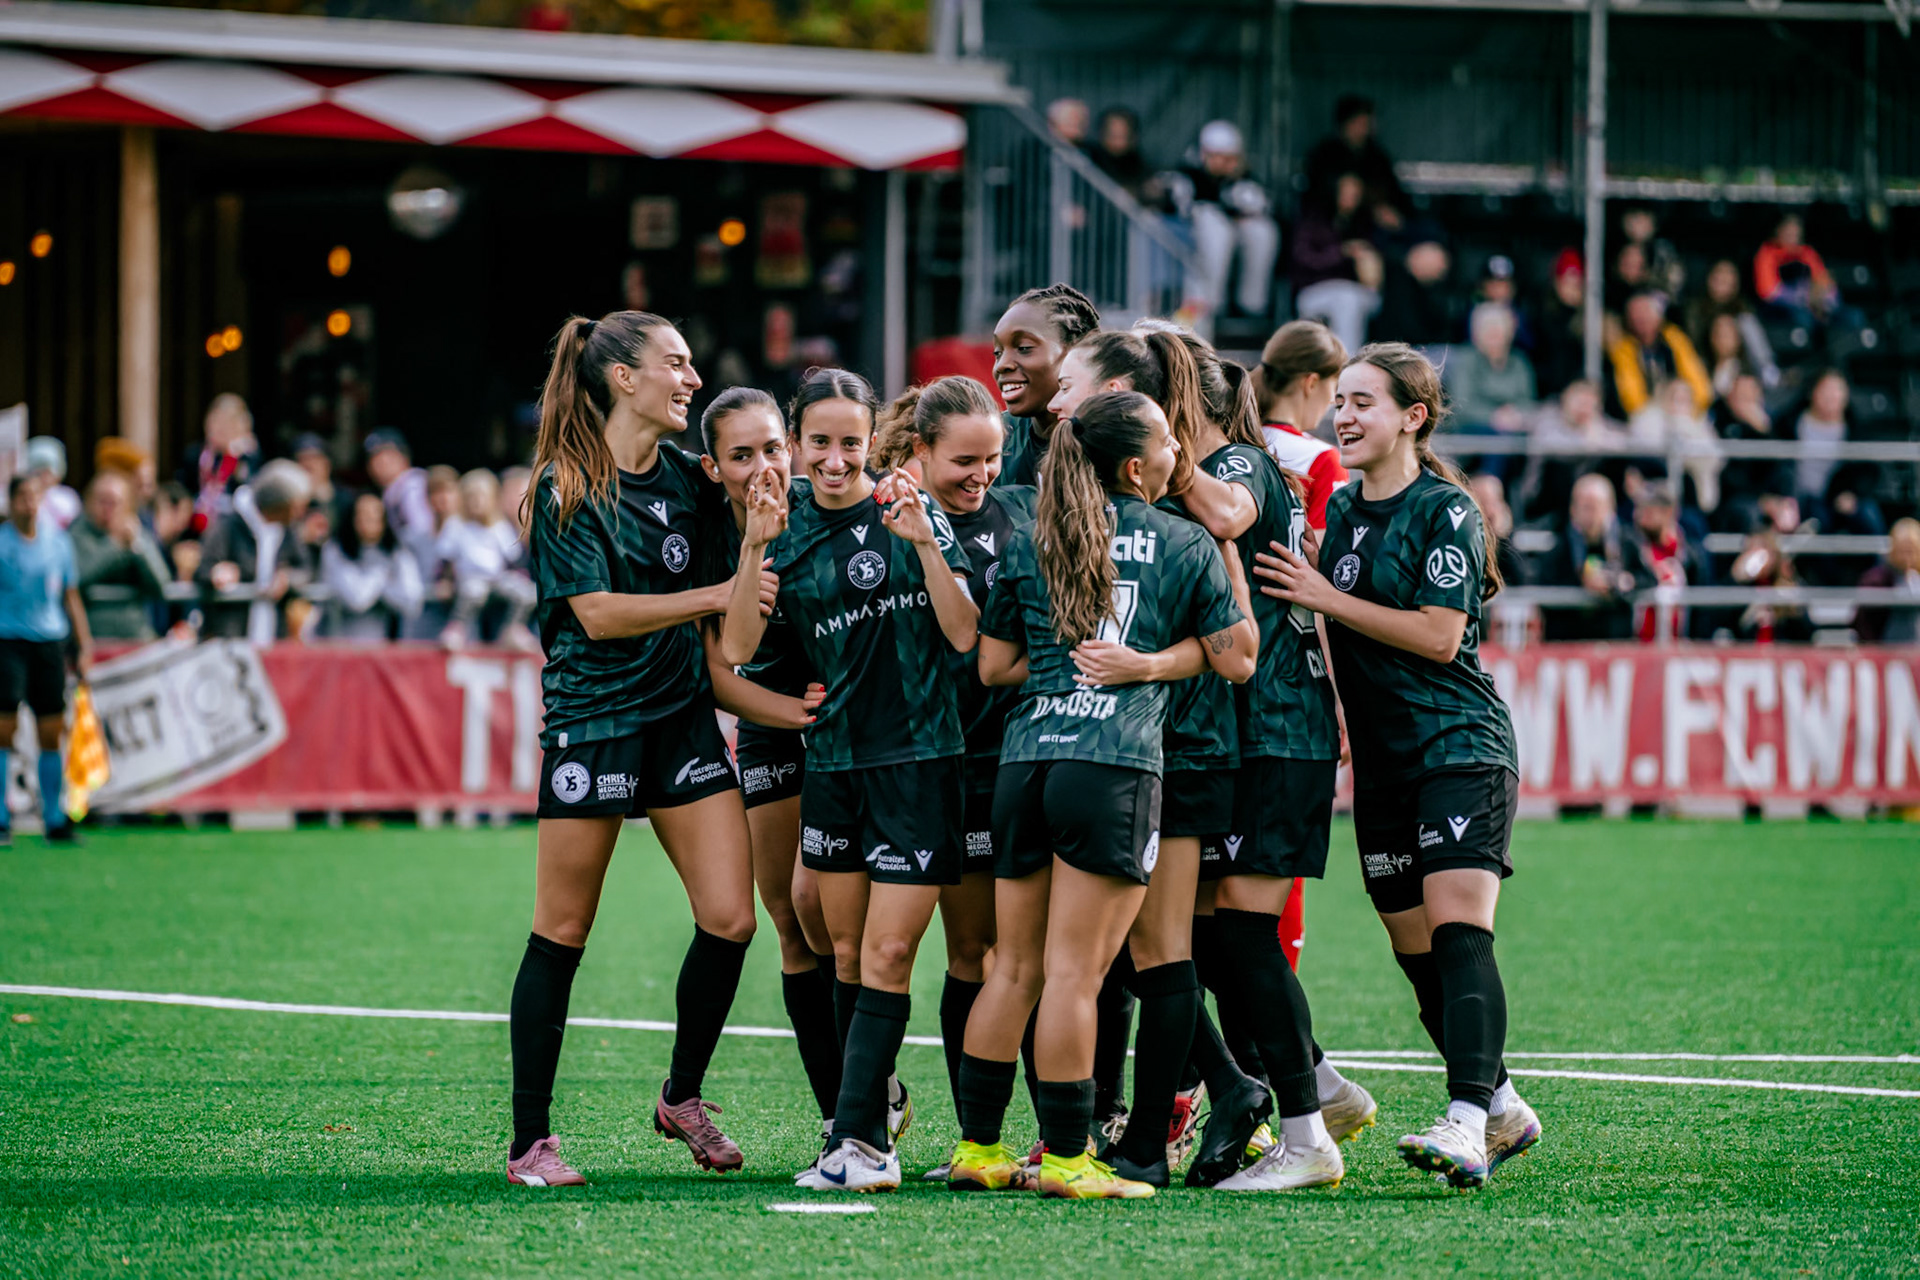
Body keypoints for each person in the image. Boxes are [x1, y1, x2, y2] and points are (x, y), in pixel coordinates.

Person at [947, 389, 1255, 1201]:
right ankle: (1067, 1158)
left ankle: (978, 1149)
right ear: (1133, 465)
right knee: (1076, 975)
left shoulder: (1033, 540)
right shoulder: (1186, 541)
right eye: (1164, 442)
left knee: (1011, 969)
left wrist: (1062, 666)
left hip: (1023, 765)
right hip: (1111, 766)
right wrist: (1153, 661)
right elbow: (1239, 658)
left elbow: (992, 668)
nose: (1176, 451)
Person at [1253, 342, 1540, 1190]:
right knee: (1415, 951)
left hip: (1459, 746)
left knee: (1458, 933)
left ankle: (1463, 1122)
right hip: (1382, 763)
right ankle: (1503, 1103)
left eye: (1365, 402)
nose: (1345, 415)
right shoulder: (1340, 513)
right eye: (1339, 400)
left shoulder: (1446, 508)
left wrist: (1325, 596)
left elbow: (1438, 634)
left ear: (1413, 418)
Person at [505, 310, 759, 1188]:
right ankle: (530, 1142)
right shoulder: (565, 485)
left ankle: (680, 1098)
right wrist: (716, 592)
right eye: (677, 363)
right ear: (624, 377)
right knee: (563, 931)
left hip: (680, 720)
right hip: (595, 721)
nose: (692, 379)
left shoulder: (694, 480)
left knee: (732, 918)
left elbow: (736, 621)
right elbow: (598, 615)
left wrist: (761, 528)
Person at [721, 368, 979, 1194]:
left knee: (891, 949)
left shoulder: (907, 506)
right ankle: (860, 1134)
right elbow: (733, 648)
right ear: (795, 443)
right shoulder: (781, 530)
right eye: (819, 443)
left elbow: (967, 635)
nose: (835, 460)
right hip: (832, 766)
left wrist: (927, 544)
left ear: (874, 441)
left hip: (919, 759)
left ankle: (862, 1147)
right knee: (843, 952)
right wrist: (755, 543)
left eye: (850, 442)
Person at [1135, 324, 1359, 1194]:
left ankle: (1306, 1131)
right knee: (1203, 941)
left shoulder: (1235, 465)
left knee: (1240, 937)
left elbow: (1228, 514)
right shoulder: (1234, 463)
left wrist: (1166, 450)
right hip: (1249, 732)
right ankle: (1316, 1090)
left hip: (1272, 731)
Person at [870, 375, 1037, 1177]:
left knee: (1007, 951)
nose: (980, 476)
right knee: (959, 951)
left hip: (1022, 754)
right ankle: (948, 1129)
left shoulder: (1023, 514)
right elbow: (964, 639)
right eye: (962, 461)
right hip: (939, 761)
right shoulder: (893, 519)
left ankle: (1019, 1136)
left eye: (993, 459)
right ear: (919, 451)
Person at [694, 387, 839, 1163]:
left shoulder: (834, 498)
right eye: (742, 456)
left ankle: (866, 1094)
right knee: (788, 917)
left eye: (773, 449)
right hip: (773, 724)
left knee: (832, 919)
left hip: (848, 733)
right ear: (714, 466)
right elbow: (733, 659)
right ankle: (838, 1113)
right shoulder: (715, 530)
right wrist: (754, 545)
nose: (763, 468)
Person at [0, 475, 91, 844]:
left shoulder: (58, 542)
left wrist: (84, 643)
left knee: (52, 729)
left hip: (49, 641)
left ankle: (54, 816)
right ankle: (1, 817)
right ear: (11, 502)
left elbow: (70, 594)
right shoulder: (3, 543)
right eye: (22, 497)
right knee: (4, 728)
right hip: (7, 640)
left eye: (35, 496)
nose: (29, 504)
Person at [195, 459, 316, 644]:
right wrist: (218, 572)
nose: (300, 514)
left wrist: (287, 578)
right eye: (296, 507)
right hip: (231, 634)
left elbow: (305, 568)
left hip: (273, 632)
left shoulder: (287, 531)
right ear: (279, 504)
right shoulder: (229, 526)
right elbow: (203, 568)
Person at [994, 284, 1103, 487]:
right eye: (997, 353)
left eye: (1024, 348)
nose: (1002, 365)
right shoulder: (993, 435)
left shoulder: (1116, 438)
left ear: (1079, 351)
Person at [1173, 121, 1280, 321]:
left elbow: (1261, 204)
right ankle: (1213, 304)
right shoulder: (1189, 174)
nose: (1223, 163)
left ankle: (1252, 304)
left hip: (1235, 236)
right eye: (1217, 157)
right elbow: (1181, 204)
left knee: (1263, 231)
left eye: (1230, 158)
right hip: (1194, 238)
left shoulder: (1241, 178)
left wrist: (1235, 182)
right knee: (1216, 228)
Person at [1254, 320, 1350, 531]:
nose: (1333, 400)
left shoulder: (1230, 437)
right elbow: (1320, 557)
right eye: (1335, 387)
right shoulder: (1323, 460)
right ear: (1312, 383)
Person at [436, 469, 538, 651]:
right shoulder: (456, 525)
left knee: (528, 593)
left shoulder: (499, 526)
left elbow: (513, 559)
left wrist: (519, 576)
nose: (476, 503)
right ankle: (457, 628)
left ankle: (513, 629)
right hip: (470, 578)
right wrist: (445, 580)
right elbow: (446, 559)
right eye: (471, 497)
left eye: (481, 497)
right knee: (473, 592)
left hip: (497, 579)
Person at [69, 470, 173, 643]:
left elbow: (161, 585)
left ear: (127, 505)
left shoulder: (136, 534)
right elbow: (78, 577)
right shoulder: (77, 534)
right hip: (92, 636)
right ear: (89, 502)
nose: (108, 509)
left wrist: (138, 548)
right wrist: (114, 546)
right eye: (102, 501)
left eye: (114, 502)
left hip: (135, 634)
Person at [1289, 173, 1381, 357]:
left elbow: (1377, 263)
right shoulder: (1312, 221)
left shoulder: (1365, 223)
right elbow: (1303, 259)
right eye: (1345, 193)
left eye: (1355, 194)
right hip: (1314, 289)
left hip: (1355, 291)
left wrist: (1367, 262)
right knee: (1347, 300)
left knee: (1357, 299)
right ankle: (1345, 364)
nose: (1349, 199)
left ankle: (1362, 361)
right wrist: (1342, 252)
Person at [1536, 473, 1636, 642]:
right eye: (1585, 507)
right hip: (1570, 642)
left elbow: (1648, 579)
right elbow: (1543, 588)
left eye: (1596, 507)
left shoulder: (1626, 543)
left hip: (1616, 641)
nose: (1591, 515)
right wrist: (1581, 583)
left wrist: (1621, 582)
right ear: (1573, 509)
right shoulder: (1561, 546)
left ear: (1610, 508)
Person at [1447, 302, 1537, 480]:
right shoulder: (1465, 361)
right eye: (1488, 331)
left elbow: (1528, 402)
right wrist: (1495, 418)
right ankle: (1490, 486)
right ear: (1476, 334)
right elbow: (1461, 405)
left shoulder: (1519, 363)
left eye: (1499, 331)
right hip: (1468, 428)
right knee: (1498, 439)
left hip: (1514, 428)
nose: (1494, 337)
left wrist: (1516, 415)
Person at [319, 492, 424, 643]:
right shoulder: (336, 550)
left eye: (374, 515)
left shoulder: (396, 552)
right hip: (341, 638)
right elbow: (357, 598)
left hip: (382, 638)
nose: (367, 521)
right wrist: (383, 577)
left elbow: (412, 600)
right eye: (362, 515)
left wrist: (382, 589)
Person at [1302, 94, 1408, 230]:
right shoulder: (1324, 155)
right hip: (1331, 223)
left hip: (1374, 226)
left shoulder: (1377, 156)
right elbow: (1314, 195)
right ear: (1345, 124)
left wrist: (1390, 212)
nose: (1364, 129)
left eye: (1366, 124)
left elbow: (1394, 193)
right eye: (1359, 123)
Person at [1626, 481, 1711, 642]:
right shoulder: (1631, 548)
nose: (1639, 518)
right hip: (1637, 647)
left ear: (1668, 512)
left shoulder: (1691, 555)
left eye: (1648, 511)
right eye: (1638, 510)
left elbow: (1702, 606)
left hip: (1680, 647)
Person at [1606, 290, 1711, 420]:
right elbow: (1631, 398)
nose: (1641, 318)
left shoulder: (1674, 339)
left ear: (1658, 316)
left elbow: (1698, 384)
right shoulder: (1623, 349)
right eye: (1635, 313)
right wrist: (1651, 416)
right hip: (1646, 417)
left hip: (1683, 411)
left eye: (1645, 311)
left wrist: (1692, 410)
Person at [1628, 379, 1722, 516]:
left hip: (1693, 496)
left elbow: (1713, 461)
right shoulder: (1648, 422)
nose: (1679, 405)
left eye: (1684, 399)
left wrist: (1685, 429)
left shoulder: (1700, 427)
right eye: (1674, 398)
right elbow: (1648, 458)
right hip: (1655, 491)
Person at [1684, 260, 1779, 392]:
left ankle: (1766, 371)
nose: (1721, 280)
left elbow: (1752, 347)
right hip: (1706, 360)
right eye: (1718, 276)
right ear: (1709, 278)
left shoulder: (1743, 311)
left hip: (1741, 365)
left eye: (1727, 278)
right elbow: (1693, 344)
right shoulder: (1695, 308)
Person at [178, 393, 259, 537]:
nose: (219, 429)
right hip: (195, 530)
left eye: (227, 423)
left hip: (232, 534)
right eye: (216, 421)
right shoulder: (195, 455)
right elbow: (182, 492)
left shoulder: (247, 458)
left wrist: (237, 461)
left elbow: (248, 496)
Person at [364, 428, 435, 566]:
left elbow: (421, 533)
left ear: (404, 458)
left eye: (388, 456)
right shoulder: (392, 491)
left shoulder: (412, 486)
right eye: (375, 458)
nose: (381, 463)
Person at [1532, 249, 1588, 399]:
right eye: (1566, 283)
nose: (1571, 290)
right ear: (1556, 283)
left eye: (1576, 284)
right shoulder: (1544, 317)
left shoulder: (1591, 319)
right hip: (1552, 396)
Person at [1855, 518, 1920, 644]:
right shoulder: (1875, 581)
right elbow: (1864, 625)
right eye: (1902, 551)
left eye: (1911, 551)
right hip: (1886, 646)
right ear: (1893, 550)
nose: (1907, 558)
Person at [1088, 107, 1151, 204]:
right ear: (1102, 135)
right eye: (1114, 135)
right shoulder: (1091, 159)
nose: (1118, 142)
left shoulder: (1138, 163)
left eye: (1123, 136)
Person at [24, 438, 81, 532]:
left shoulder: (68, 498)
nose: (43, 477)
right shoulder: (26, 499)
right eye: (38, 473)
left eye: (47, 472)